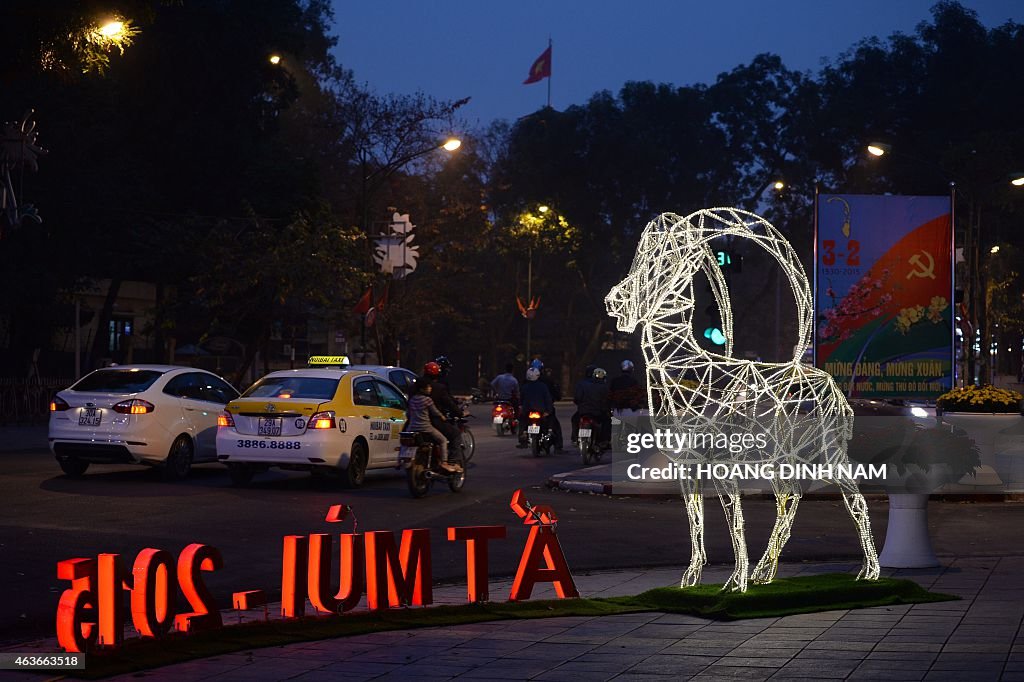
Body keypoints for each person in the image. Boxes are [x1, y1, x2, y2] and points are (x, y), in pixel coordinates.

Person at [406, 381, 460, 472]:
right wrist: (442, 417)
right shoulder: (427, 400)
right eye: (428, 387)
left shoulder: (412, 399)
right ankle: (444, 462)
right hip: (426, 427)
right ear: (422, 389)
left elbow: (408, 414)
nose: (430, 389)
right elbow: (435, 411)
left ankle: (401, 459)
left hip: (411, 427)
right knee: (442, 440)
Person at [423, 361, 463, 458]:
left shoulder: (413, 390)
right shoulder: (438, 388)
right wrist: (459, 413)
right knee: (455, 435)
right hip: (433, 423)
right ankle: (452, 461)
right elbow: (448, 404)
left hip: (412, 423)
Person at [572, 366, 611, 447]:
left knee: (575, 420)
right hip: (597, 412)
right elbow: (607, 400)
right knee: (607, 421)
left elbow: (578, 398)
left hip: (584, 411)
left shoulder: (583, 385)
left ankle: (575, 439)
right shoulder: (604, 387)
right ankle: (604, 440)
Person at [517, 367, 554, 447]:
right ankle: (549, 434)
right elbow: (548, 399)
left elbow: (521, 399)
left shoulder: (525, 387)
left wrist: (521, 408)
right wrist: (548, 411)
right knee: (549, 422)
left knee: (522, 421)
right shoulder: (543, 386)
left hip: (527, 410)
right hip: (540, 410)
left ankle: (522, 435)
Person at [539, 366, 564, 451]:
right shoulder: (547, 381)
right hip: (545, 407)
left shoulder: (527, 381)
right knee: (555, 425)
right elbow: (556, 394)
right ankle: (558, 446)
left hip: (531, 407)